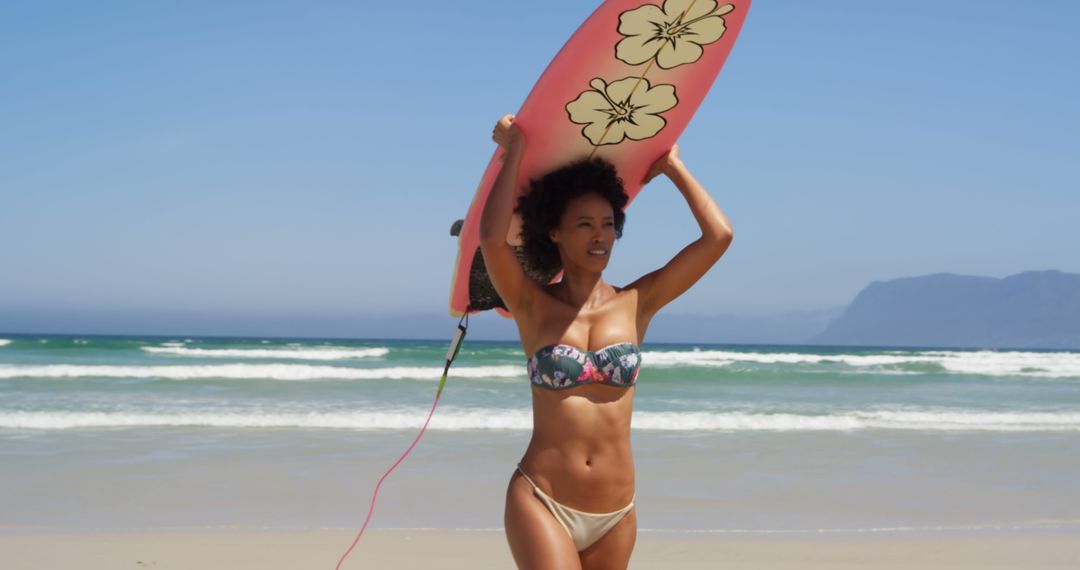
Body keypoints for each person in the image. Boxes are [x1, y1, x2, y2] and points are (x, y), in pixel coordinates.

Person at [480, 114, 733, 569]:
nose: (600, 235)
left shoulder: (639, 302)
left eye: (608, 223)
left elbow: (719, 237)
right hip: (542, 498)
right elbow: (491, 241)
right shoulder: (531, 305)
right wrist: (512, 153)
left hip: (616, 511)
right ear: (554, 232)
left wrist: (674, 168)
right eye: (583, 224)